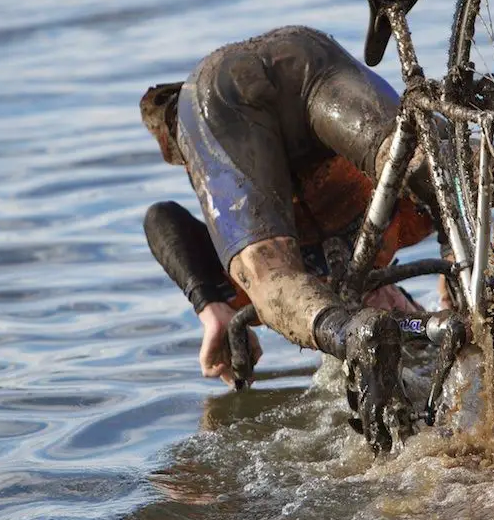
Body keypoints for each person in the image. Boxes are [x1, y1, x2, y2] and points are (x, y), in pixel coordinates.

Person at [139, 26, 446, 429]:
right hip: (273, 71)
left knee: (433, 166)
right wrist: (454, 283)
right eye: (403, 313)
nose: (393, 311)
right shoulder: (403, 221)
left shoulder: (251, 284)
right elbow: (161, 217)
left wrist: (212, 306)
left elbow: (161, 218)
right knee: (432, 168)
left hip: (302, 60)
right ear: (401, 295)